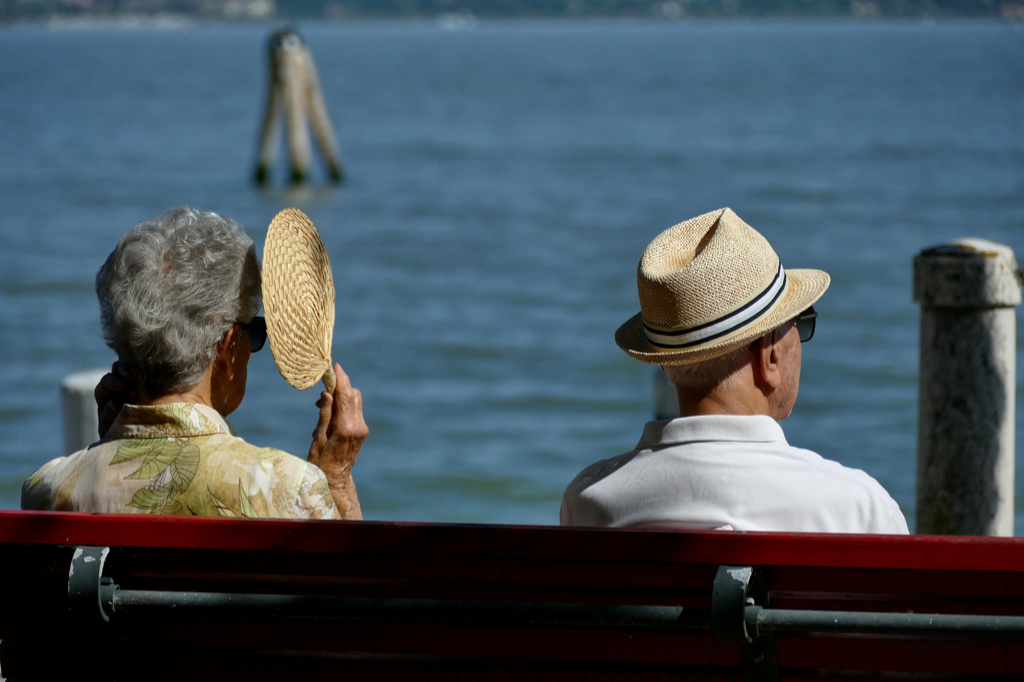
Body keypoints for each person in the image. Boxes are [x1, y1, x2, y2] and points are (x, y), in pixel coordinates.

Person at [560, 208, 908, 534]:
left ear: (665, 363)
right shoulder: (859, 512)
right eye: (800, 324)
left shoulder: (588, 504)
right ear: (769, 353)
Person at [22, 207, 367, 520]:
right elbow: (347, 588)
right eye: (254, 332)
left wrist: (109, 449)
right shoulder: (288, 489)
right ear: (228, 347)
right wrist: (335, 483)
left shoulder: (48, 489)